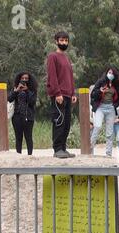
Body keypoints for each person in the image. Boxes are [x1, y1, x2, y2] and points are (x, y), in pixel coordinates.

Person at [46, 31, 78, 159]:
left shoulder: (67, 58)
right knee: (59, 121)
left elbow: (69, 76)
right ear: (56, 41)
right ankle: (57, 149)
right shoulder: (52, 56)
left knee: (66, 123)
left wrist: (73, 92)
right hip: (58, 95)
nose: (64, 43)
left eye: (66, 40)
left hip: (68, 95)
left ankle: (63, 149)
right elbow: (52, 77)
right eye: (62, 40)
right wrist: (57, 93)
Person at [90, 67, 119, 157]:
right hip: (101, 107)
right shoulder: (101, 81)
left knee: (109, 132)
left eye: (112, 73)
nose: (110, 74)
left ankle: (108, 154)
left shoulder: (116, 85)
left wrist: (115, 106)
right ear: (106, 73)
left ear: (114, 75)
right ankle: (90, 149)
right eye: (109, 72)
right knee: (97, 126)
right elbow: (93, 94)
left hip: (110, 108)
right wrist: (100, 91)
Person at [8, 72, 37, 155]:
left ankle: (30, 155)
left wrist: (27, 90)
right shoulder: (15, 88)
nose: (24, 80)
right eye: (22, 78)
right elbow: (9, 99)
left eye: (26, 78)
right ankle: (18, 154)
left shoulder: (33, 90)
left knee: (28, 137)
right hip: (17, 116)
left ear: (29, 80)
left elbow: (32, 102)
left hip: (28, 117)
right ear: (19, 79)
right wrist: (16, 90)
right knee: (18, 137)